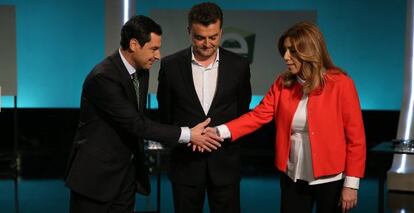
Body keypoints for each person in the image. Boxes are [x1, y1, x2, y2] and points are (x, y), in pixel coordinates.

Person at [64, 15, 223, 213]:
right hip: (95, 178)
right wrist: (188, 135)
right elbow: (136, 124)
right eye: (154, 48)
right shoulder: (103, 77)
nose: (158, 56)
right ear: (134, 44)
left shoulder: (141, 71)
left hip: (126, 176)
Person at [208, 22, 366, 213]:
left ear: (308, 51)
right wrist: (218, 131)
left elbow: (356, 139)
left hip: (331, 179)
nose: (286, 57)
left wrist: (351, 184)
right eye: (285, 50)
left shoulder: (341, 84)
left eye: (292, 51)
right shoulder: (283, 83)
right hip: (293, 176)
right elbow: (257, 116)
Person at [156, 2, 251, 213]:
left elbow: (242, 115)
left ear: (221, 32)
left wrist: (218, 136)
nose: (207, 43)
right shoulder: (170, 66)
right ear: (189, 32)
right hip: (185, 165)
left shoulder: (239, 66)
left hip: (225, 164)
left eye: (213, 37)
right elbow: (166, 116)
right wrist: (188, 137)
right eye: (200, 37)